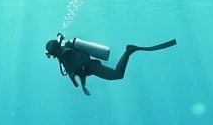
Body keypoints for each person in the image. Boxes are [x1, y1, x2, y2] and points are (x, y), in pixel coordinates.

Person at [44, 33, 177, 95]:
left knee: (117, 75)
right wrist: (79, 82)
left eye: (50, 54)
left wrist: (82, 83)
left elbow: (79, 68)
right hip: (90, 67)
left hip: (92, 67)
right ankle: (129, 51)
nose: (51, 56)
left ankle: (129, 51)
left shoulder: (66, 53)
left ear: (54, 51)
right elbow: (76, 70)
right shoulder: (63, 54)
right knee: (117, 75)